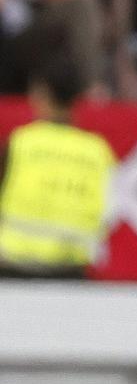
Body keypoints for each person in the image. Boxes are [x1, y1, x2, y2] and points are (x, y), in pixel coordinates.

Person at [0, 46, 112, 278]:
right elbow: (109, 213)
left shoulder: (21, 144)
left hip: (14, 270)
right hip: (72, 273)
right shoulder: (98, 152)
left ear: (41, 92)